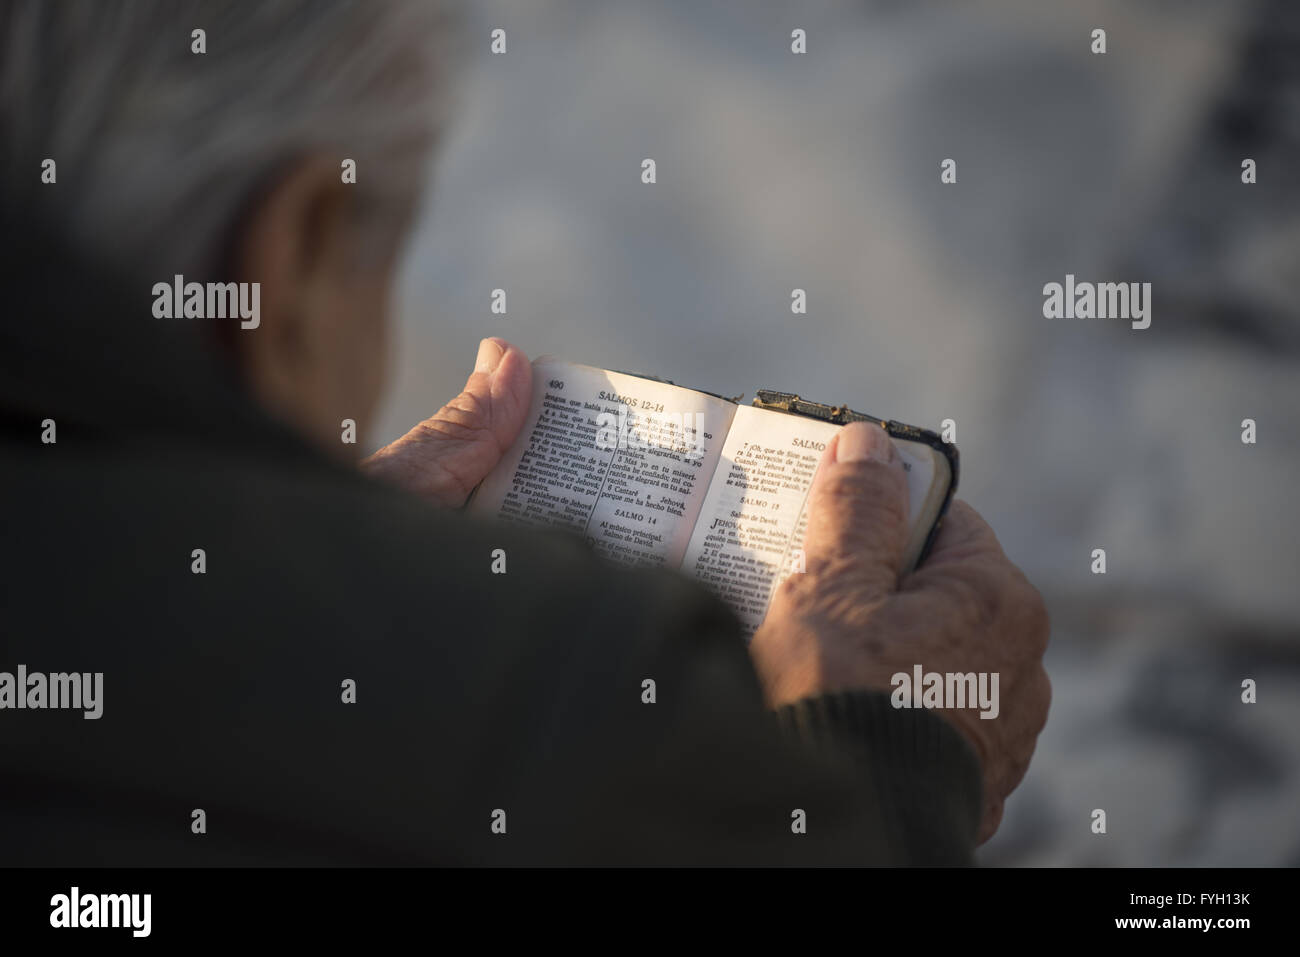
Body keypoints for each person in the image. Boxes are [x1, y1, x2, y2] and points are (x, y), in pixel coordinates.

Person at [0, 0, 1049, 865]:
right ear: (295, 254)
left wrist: (292, 588)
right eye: (382, 254)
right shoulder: (553, 692)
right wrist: (877, 770)